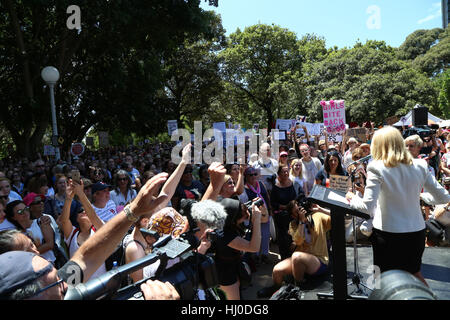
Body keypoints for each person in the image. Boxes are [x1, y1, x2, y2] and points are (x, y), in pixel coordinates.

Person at [0, 172, 181, 300]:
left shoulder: (58, 282)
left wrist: (134, 210)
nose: (65, 283)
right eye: (56, 282)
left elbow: (87, 256)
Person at [346, 126, 450, 286]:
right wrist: (419, 196)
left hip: (387, 235)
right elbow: (443, 196)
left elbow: (367, 207)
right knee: (415, 274)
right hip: (416, 233)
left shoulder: (376, 167)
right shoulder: (420, 165)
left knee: (382, 281)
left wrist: (352, 198)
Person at [257, 199, 331, 298]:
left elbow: (338, 218)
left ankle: (298, 287)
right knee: (277, 270)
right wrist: (302, 222)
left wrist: (320, 209)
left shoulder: (317, 216)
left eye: (300, 209)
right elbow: (298, 240)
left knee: (296, 256)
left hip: (318, 260)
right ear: (292, 216)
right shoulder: (293, 225)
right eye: (297, 212)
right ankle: (276, 288)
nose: (300, 212)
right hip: (300, 260)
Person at [208, 197, 262, 300]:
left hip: (234, 264)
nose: (247, 214)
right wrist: (256, 220)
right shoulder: (223, 234)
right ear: (232, 219)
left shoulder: (227, 222)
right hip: (225, 272)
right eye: (243, 215)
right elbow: (254, 247)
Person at [59, 179, 106, 281]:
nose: (84, 212)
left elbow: (93, 215)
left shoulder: (99, 229)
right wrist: (68, 198)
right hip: (77, 287)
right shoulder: (72, 234)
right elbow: (64, 220)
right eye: (81, 211)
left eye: (86, 211)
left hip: (99, 284)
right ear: (76, 218)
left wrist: (81, 193)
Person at [5, 200, 56, 264]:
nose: (25, 212)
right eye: (20, 212)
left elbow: (50, 245)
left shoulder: (41, 222)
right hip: (32, 268)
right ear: (13, 217)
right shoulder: (16, 234)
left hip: (50, 263)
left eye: (26, 209)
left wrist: (27, 254)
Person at [238, 167, 271, 263]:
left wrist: (270, 210)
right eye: (250, 174)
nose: (253, 176)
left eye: (255, 174)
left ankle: (265, 254)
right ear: (246, 176)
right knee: (256, 235)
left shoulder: (261, 184)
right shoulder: (244, 188)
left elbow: (267, 197)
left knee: (265, 235)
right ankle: (255, 255)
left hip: (265, 214)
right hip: (254, 216)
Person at [270, 165, 297, 261]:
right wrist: (285, 207)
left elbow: (295, 197)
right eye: (283, 172)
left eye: (287, 171)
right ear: (279, 174)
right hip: (281, 217)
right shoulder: (276, 187)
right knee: (283, 238)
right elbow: (273, 203)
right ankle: (284, 258)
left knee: (292, 236)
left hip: (292, 215)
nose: (286, 173)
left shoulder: (291, 183)